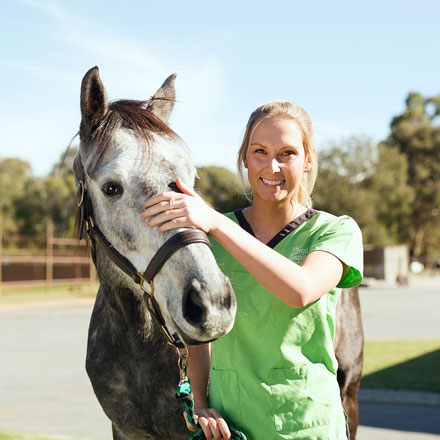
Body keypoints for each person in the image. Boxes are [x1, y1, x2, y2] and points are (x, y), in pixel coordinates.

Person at [142, 101, 363, 440]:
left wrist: (214, 222)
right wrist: (200, 403)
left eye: (287, 153)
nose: (272, 165)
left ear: (307, 161)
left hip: (308, 426)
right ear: (245, 158)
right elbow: (199, 333)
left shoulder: (335, 231)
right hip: (232, 426)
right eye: (260, 151)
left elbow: (300, 290)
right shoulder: (211, 238)